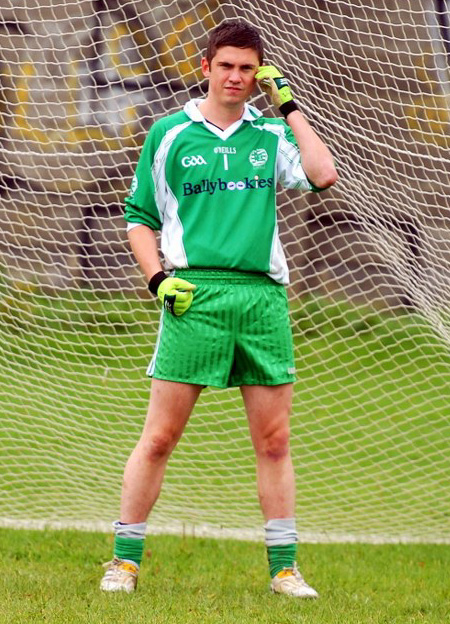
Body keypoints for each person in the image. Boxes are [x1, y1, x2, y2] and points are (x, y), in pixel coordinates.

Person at [100, 19, 337, 598]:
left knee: (275, 441)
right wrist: (158, 280)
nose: (236, 76)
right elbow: (139, 217)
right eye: (226, 65)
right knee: (159, 437)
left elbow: (322, 174)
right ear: (205, 67)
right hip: (194, 296)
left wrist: (290, 106)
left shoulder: (270, 135)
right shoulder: (170, 133)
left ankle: (284, 568)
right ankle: (124, 562)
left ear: (259, 75)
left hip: (261, 299)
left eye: (248, 68)